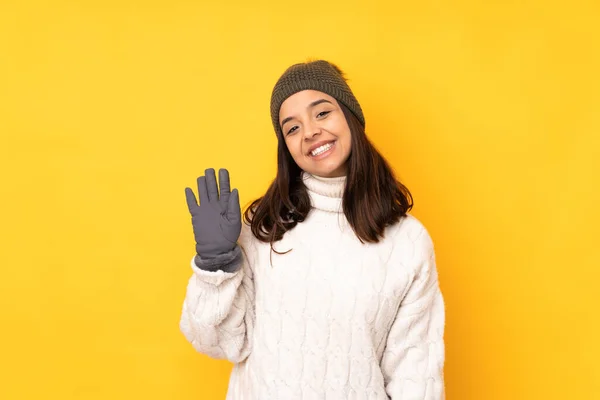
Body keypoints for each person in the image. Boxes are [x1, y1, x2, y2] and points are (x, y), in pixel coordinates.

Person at [180, 60, 446, 399]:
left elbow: (416, 376)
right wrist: (215, 263)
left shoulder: (407, 242)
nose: (309, 132)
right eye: (292, 128)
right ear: (286, 148)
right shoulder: (264, 227)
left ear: (350, 116)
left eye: (322, 113)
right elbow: (217, 342)